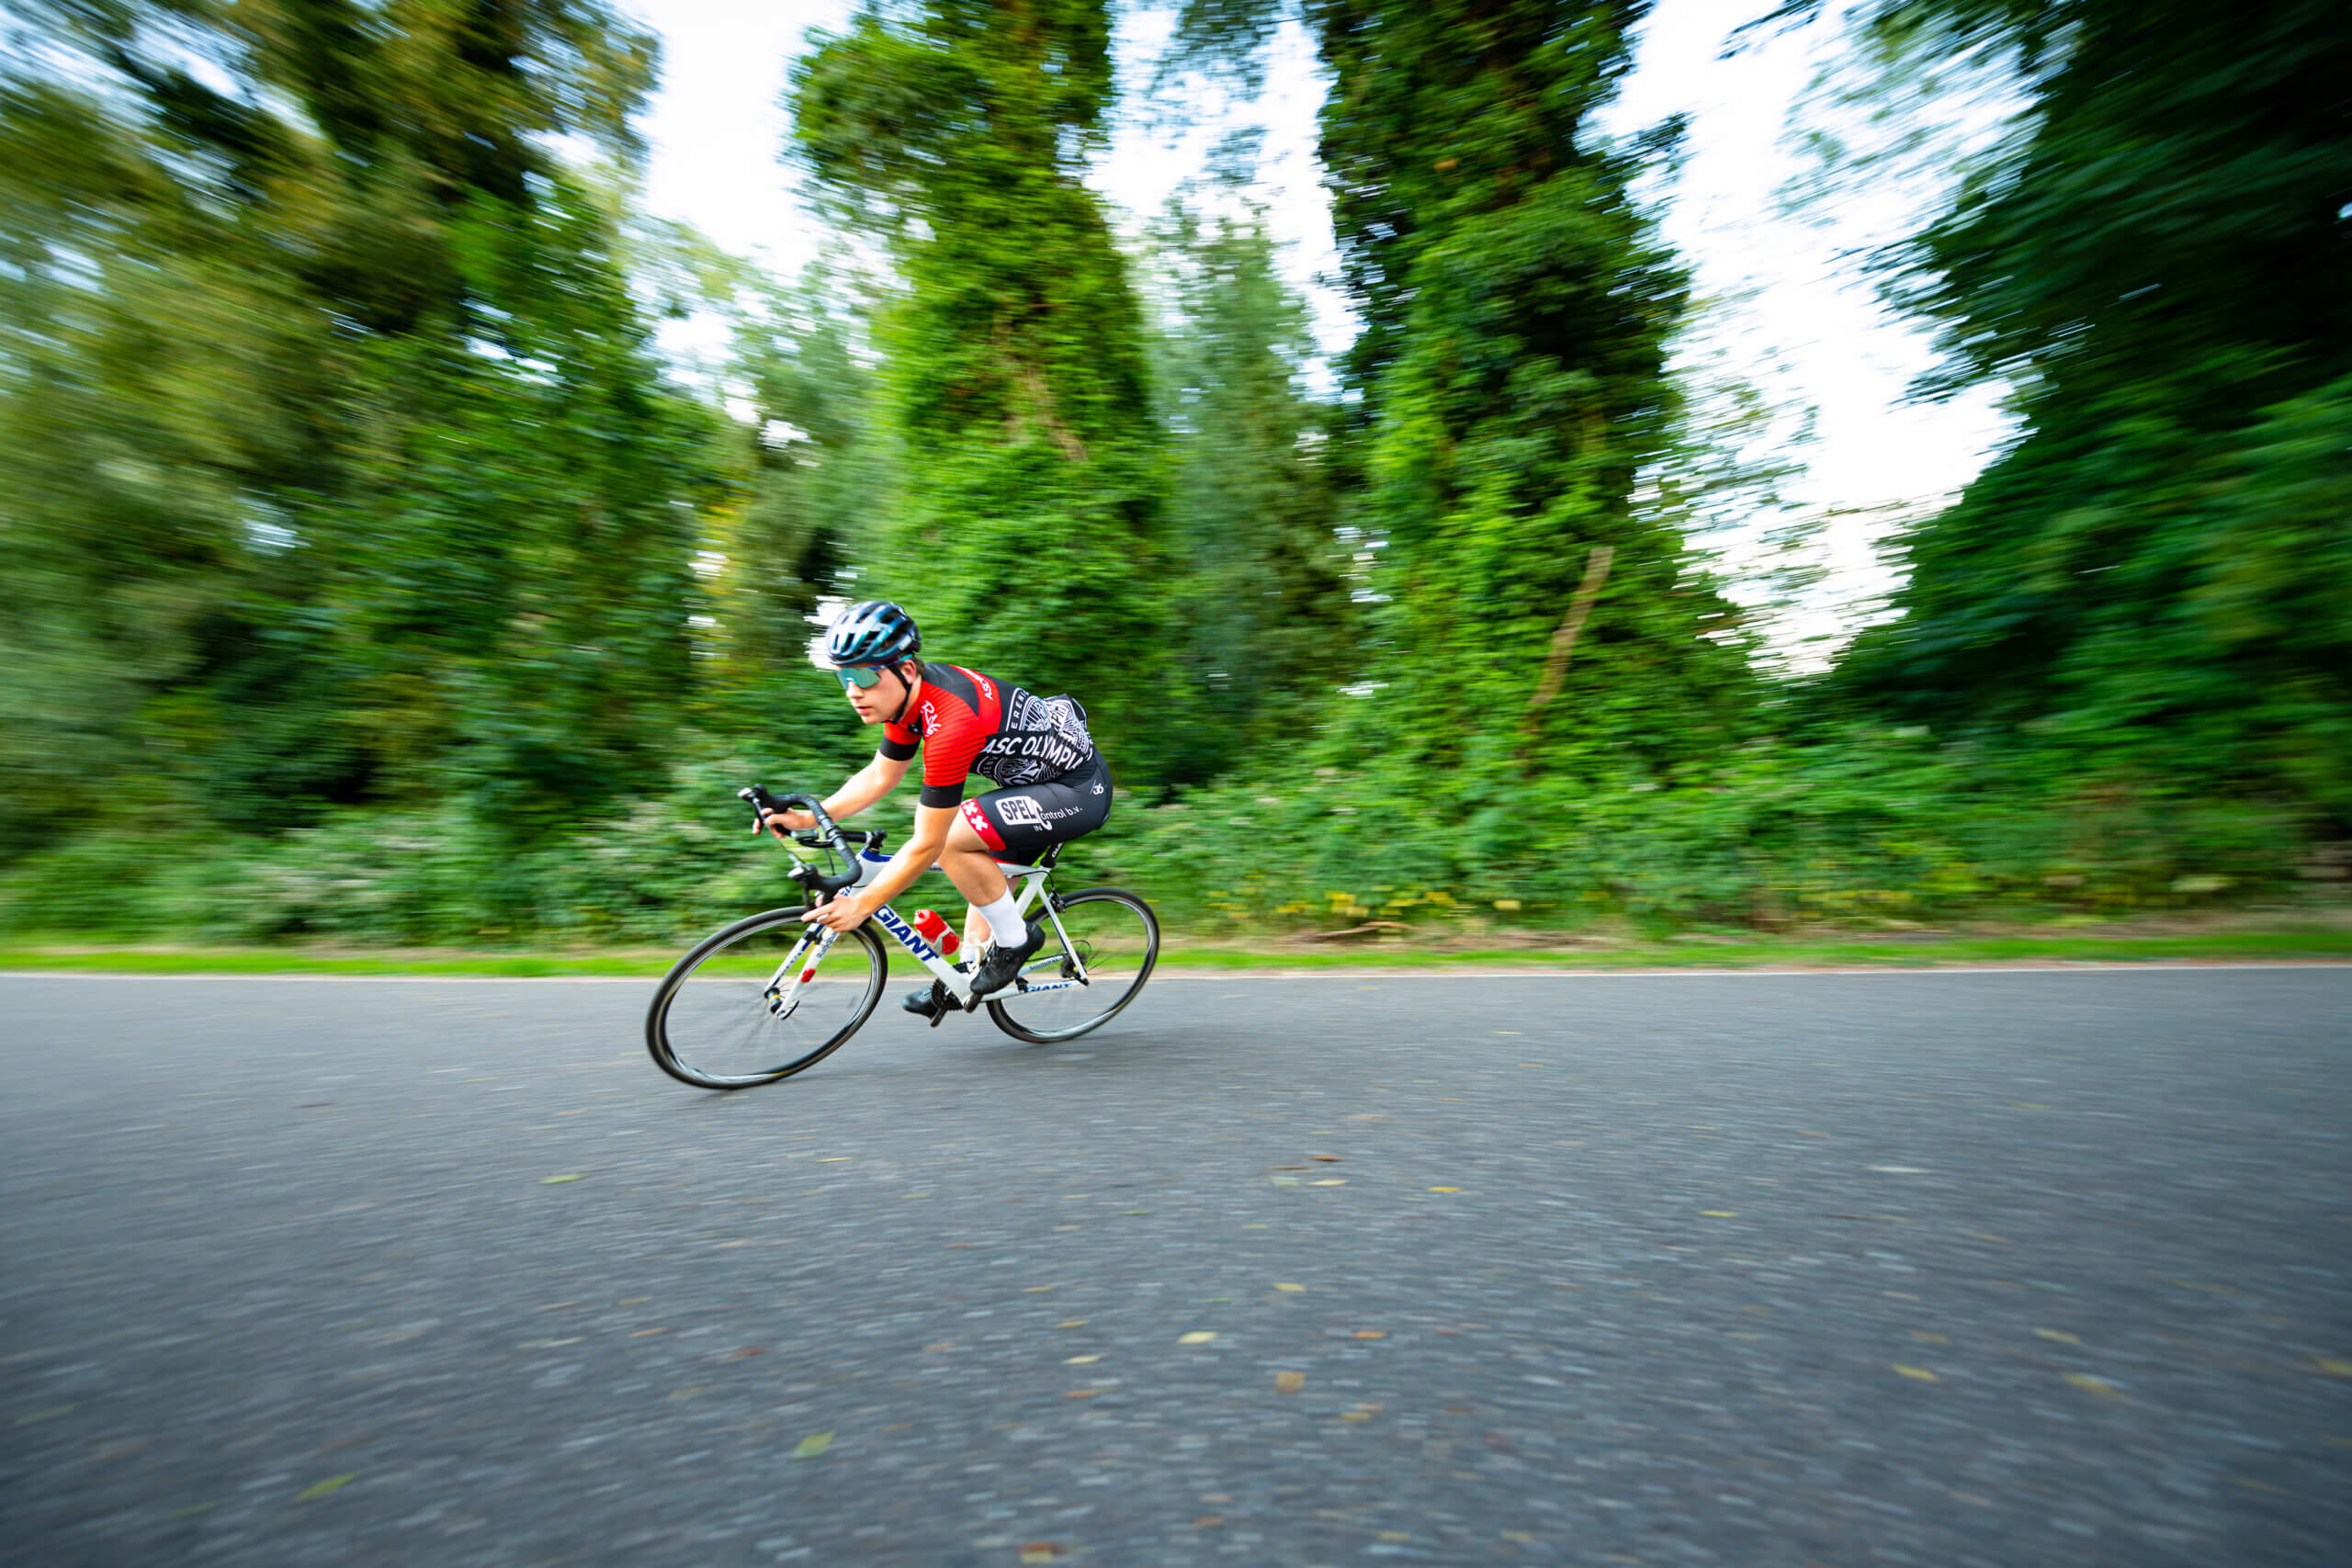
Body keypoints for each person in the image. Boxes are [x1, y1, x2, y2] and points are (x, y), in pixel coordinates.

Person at [756, 600, 1113, 1017]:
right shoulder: (905, 702)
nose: (854, 690)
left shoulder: (951, 722)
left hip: (1077, 788)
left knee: (952, 838)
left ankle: (1018, 942)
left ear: (906, 669)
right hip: (1030, 784)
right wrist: (805, 818)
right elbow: (879, 777)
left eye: (865, 675)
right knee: (976, 878)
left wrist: (862, 905)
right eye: (844, 677)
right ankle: (967, 976)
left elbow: (928, 843)